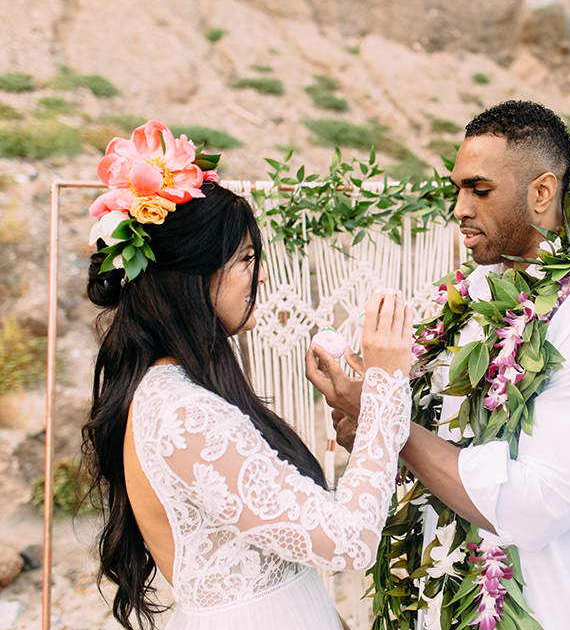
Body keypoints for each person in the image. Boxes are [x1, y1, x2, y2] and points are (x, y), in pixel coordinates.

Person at [309, 100, 570, 630]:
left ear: (542, 193)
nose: (459, 208)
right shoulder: (471, 295)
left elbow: (532, 508)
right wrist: (365, 424)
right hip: (429, 604)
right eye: (456, 189)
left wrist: (386, 421)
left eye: (479, 189)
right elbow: (433, 444)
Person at [81, 121, 414, 630]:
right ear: (190, 279)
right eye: (245, 259)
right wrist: (386, 387)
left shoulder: (173, 395)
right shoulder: (183, 415)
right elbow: (351, 540)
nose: (261, 276)